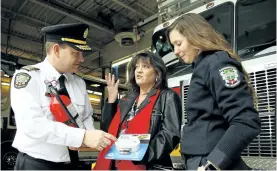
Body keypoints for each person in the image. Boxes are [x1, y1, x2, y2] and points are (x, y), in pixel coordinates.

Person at [11, 23, 116, 170]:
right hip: (36, 164)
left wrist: (88, 137)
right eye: (76, 53)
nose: (82, 59)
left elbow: (86, 116)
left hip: (71, 163)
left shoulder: (78, 82)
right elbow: (32, 125)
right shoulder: (28, 77)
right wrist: (82, 137)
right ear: (56, 50)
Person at [167, 13, 261, 170]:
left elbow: (246, 120)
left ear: (195, 36)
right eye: (173, 46)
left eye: (178, 43)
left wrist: (213, 164)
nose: (175, 51)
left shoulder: (217, 63)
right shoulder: (203, 66)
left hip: (208, 161)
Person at [93, 51, 182, 170]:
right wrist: (111, 100)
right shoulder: (126, 100)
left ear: (157, 72)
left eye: (145, 66)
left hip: (146, 165)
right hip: (115, 164)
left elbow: (171, 135)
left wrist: (140, 154)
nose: (139, 71)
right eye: (136, 67)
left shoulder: (167, 96)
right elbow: (107, 131)